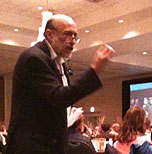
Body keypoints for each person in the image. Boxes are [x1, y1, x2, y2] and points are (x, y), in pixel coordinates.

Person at [5, 14, 115, 154]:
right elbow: (58, 98)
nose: (73, 41)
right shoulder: (34, 58)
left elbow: (54, 104)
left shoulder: (58, 62)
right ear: (49, 34)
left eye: (75, 36)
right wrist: (94, 71)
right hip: (33, 148)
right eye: (68, 35)